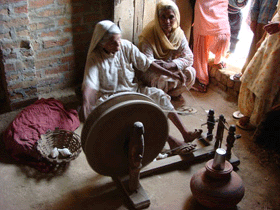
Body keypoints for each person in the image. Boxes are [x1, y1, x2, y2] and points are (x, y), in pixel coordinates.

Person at [82, 20, 202, 154]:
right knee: (133, 116)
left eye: (118, 40)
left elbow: (148, 64)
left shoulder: (125, 46)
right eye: (112, 42)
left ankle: (185, 133)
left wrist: (171, 74)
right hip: (110, 99)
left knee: (159, 95)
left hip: (133, 91)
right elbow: (90, 85)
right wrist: (87, 103)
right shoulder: (95, 58)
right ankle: (170, 140)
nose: (118, 45)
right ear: (102, 43)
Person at [235, 1, 280, 130]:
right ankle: (249, 113)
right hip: (271, 40)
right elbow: (276, 14)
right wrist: (264, 38)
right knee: (251, 75)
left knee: (266, 85)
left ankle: (259, 121)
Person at [138, 0, 196, 99]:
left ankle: (171, 95)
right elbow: (148, 62)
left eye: (171, 17)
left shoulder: (178, 34)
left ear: (176, 17)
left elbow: (189, 57)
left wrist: (172, 65)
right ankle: (162, 97)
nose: (167, 22)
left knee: (191, 72)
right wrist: (170, 72)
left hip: (169, 67)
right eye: (163, 17)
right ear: (158, 18)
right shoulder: (148, 35)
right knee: (161, 79)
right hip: (153, 70)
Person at [232, 0, 278, 80]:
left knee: (267, 55)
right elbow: (256, 4)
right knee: (254, 49)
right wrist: (253, 20)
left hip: (274, 27)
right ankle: (245, 73)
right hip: (261, 22)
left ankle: (257, 79)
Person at [192, 0, 231, 93]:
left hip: (220, 4)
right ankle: (202, 79)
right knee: (200, 44)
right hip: (203, 5)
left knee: (223, 37)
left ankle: (219, 58)